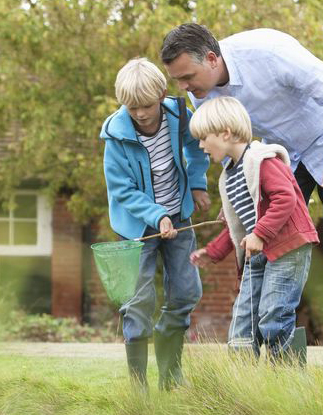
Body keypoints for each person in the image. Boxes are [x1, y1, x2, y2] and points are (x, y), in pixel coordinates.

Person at [161, 23, 323, 373]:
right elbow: (225, 146)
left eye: (187, 77)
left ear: (212, 59)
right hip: (284, 155)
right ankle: (263, 357)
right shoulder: (201, 93)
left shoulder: (269, 52)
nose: (184, 88)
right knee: (257, 240)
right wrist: (235, 205)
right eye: (178, 81)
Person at [99, 57, 210, 390]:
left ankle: (171, 375)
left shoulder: (180, 117)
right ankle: (138, 384)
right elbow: (122, 190)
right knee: (138, 300)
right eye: (132, 108)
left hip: (179, 217)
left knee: (186, 290)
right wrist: (155, 215)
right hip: (136, 228)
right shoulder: (116, 135)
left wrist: (197, 183)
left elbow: (197, 148)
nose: (141, 114)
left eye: (146, 106)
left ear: (162, 94)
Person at [188, 96, 319, 361]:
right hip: (257, 253)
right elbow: (240, 227)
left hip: (286, 248)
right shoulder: (229, 176)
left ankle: (287, 380)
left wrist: (260, 234)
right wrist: (214, 252)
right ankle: (243, 384)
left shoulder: (262, 161)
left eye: (204, 138)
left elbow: (286, 199)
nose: (201, 145)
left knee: (274, 315)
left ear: (225, 133)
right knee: (242, 322)